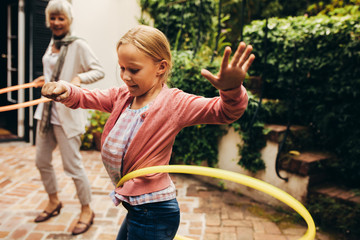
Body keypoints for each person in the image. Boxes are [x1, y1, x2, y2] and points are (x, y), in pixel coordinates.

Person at [41, 25, 254, 240]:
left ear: (160, 67)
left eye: (133, 70)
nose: (125, 76)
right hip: (138, 207)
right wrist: (66, 89)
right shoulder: (123, 97)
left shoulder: (174, 103)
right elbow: (87, 96)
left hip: (154, 210)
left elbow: (225, 112)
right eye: (122, 68)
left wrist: (231, 90)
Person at [32, 0, 104, 235]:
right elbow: (54, 71)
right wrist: (45, 80)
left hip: (67, 113)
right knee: (42, 161)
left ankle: (86, 209)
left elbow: (98, 70)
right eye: (52, 18)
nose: (56, 23)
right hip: (46, 114)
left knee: (72, 166)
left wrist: (79, 80)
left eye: (61, 18)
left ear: (69, 20)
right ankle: (54, 201)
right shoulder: (53, 42)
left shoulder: (78, 45)